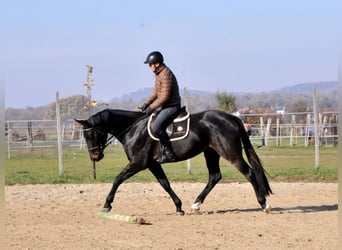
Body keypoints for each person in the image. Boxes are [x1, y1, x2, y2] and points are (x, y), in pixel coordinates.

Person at [140, 51, 181, 163]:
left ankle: (169, 153)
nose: (149, 67)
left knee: (156, 127)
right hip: (165, 106)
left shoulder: (165, 74)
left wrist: (151, 107)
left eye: (149, 64)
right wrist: (146, 103)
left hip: (172, 106)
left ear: (156, 64)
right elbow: (155, 92)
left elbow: (164, 97)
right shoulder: (159, 73)